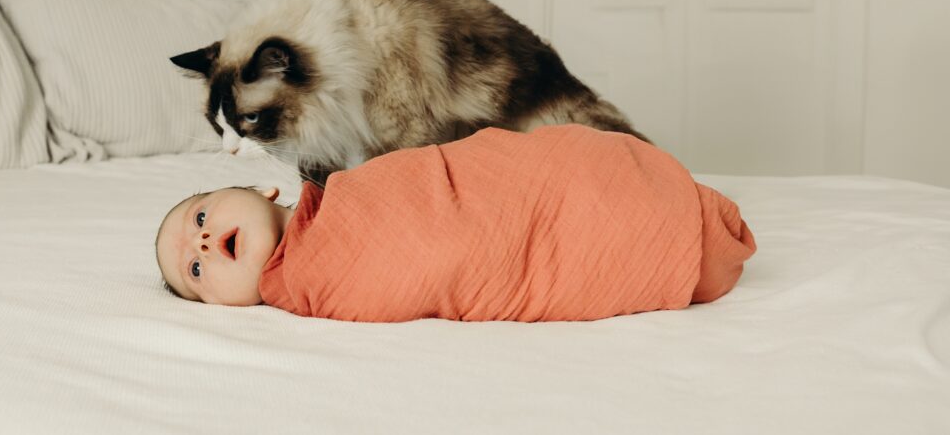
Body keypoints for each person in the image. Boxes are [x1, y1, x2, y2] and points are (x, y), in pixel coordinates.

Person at [155, 125, 756, 322]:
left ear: (263, 188)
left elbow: (446, 181)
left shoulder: (343, 194)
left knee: (546, 174)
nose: (202, 240)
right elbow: (428, 262)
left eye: (199, 215)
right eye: (195, 268)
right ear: (218, 305)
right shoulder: (309, 285)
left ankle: (656, 205)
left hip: (518, 187)